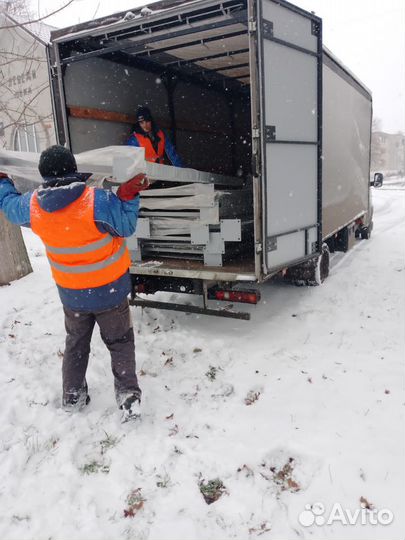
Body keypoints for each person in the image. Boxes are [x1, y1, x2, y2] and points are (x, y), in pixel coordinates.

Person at [0, 145, 149, 422]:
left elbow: (9, 207)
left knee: (76, 344)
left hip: (73, 296)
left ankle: (72, 395)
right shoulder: (97, 201)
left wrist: (2, 183)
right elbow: (126, 226)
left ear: (43, 175)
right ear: (74, 169)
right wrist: (128, 196)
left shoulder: (33, 206)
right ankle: (128, 395)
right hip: (110, 292)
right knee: (120, 343)